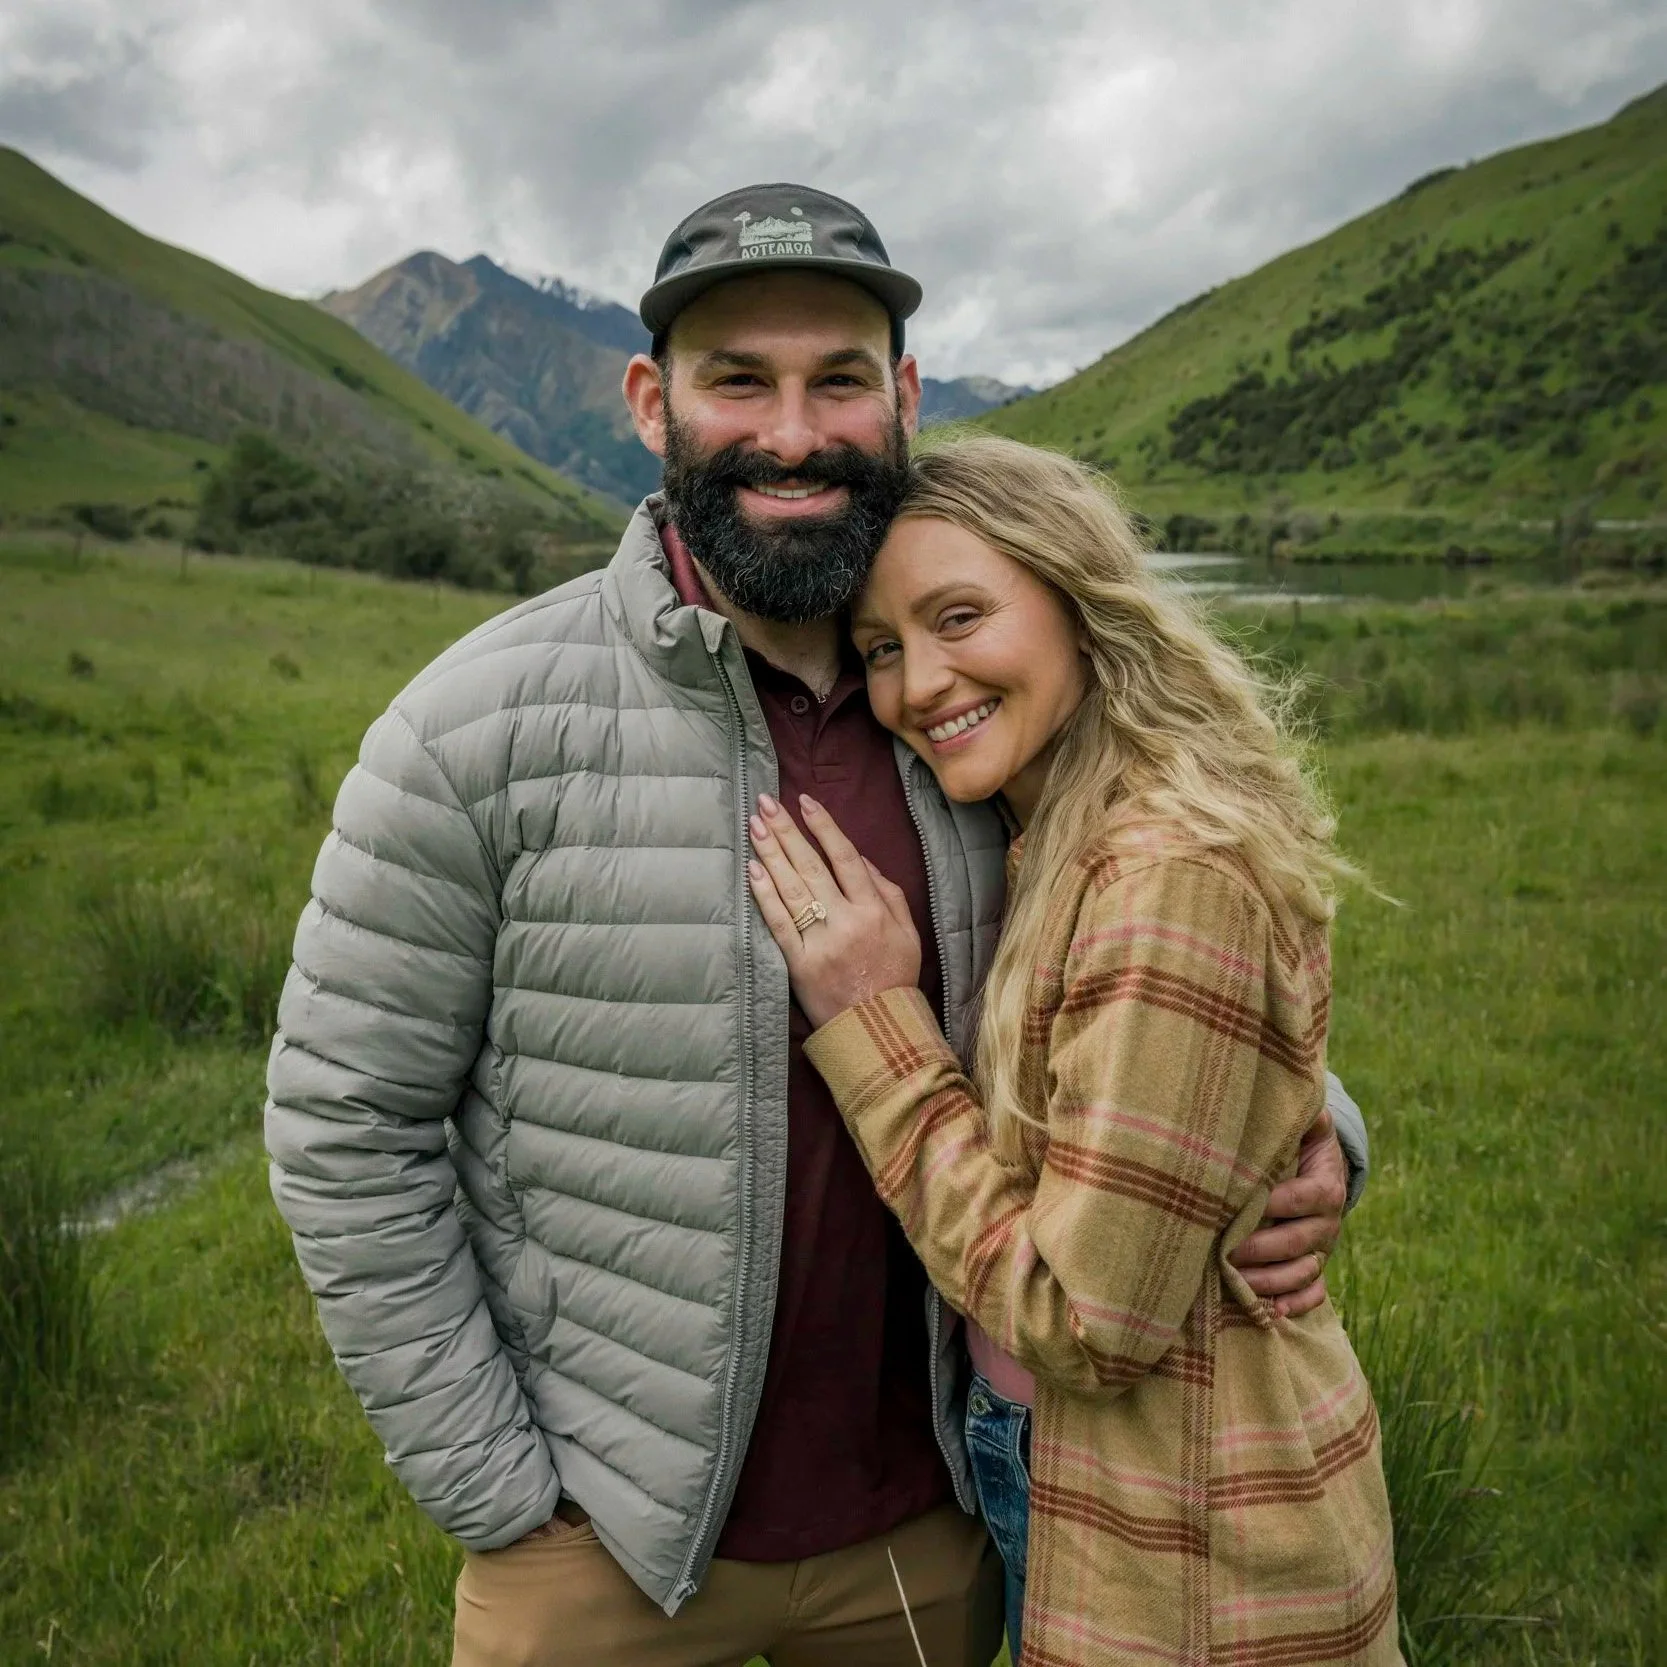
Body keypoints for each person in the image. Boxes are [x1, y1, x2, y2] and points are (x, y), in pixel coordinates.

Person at [264, 185, 1370, 1667]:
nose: (791, 433)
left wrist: (1315, 1129)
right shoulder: (474, 725)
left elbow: (1148, 972)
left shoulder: (974, 726)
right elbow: (346, 1121)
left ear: (902, 400)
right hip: (600, 1541)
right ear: (650, 402)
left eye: (837, 379)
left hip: (931, 1523)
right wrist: (498, 1488)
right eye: (738, 380)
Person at [745, 432, 1401, 1666]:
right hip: (1083, 1475)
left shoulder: (1164, 873)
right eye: (880, 648)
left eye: (958, 616)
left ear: (1077, 597)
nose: (918, 683)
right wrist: (1321, 1127)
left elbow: (1086, 1321)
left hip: (1192, 1523)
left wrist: (870, 1023)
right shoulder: (1052, 824)